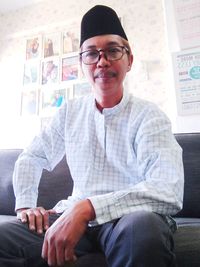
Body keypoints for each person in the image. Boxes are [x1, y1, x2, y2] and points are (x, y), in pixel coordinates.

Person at [0, 5, 184, 267]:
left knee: (143, 230)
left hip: (128, 220)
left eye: (112, 50)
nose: (102, 61)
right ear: (82, 63)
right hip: (75, 218)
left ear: (129, 59)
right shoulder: (70, 112)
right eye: (91, 53)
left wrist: (88, 207)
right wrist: (25, 206)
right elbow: (32, 156)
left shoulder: (150, 117)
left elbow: (168, 189)